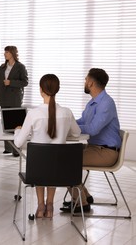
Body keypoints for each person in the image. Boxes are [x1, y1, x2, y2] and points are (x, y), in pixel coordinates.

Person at [14, 74, 81, 219]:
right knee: (53, 164)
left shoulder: (33, 114)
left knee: (42, 163)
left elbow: (18, 143)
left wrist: (17, 130)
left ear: (40, 90)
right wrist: (63, 132)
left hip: (36, 172)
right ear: (58, 89)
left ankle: (40, 206)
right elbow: (77, 134)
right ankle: (50, 205)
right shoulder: (67, 112)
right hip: (60, 172)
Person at [60, 68, 121, 213]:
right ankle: (85, 196)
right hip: (94, 148)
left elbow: (93, 129)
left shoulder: (106, 103)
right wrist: (68, 124)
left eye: (86, 79)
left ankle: (81, 203)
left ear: (91, 83)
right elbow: (83, 121)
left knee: (64, 163)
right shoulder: (93, 102)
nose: (85, 82)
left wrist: (70, 128)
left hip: (106, 152)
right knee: (62, 154)